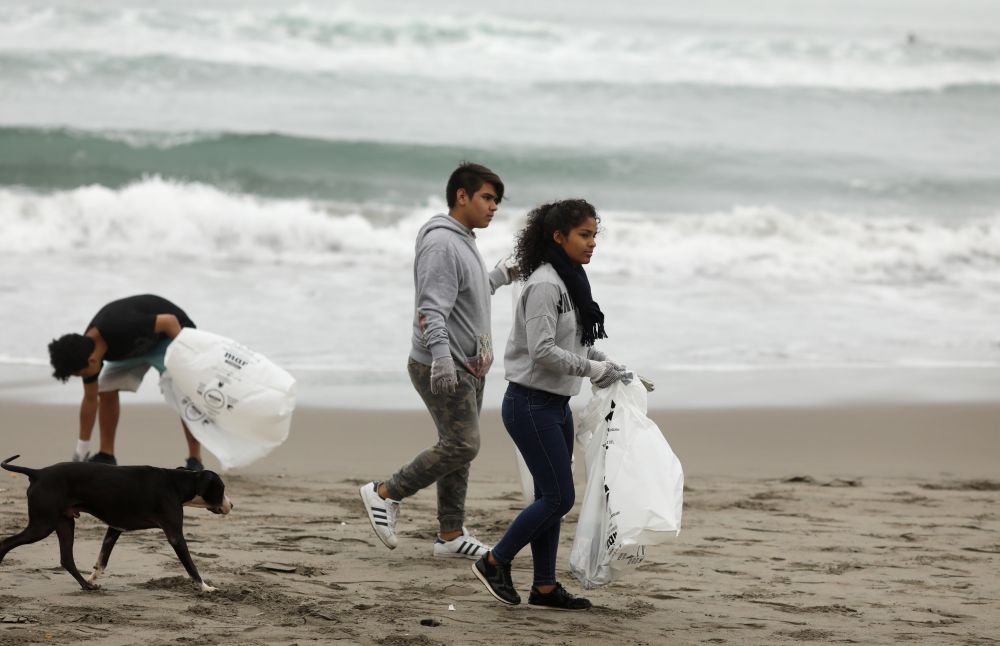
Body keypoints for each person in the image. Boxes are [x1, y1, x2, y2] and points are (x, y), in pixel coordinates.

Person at [471, 199, 626, 610]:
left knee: (549, 497)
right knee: (559, 498)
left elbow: (572, 343)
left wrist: (606, 363)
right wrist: (591, 370)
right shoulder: (545, 284)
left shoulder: (572, 279)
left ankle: (543, 587)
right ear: (559, 237)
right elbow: (541, 351)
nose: (592, 243)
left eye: (595, 235)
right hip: (529, 405)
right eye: (584, 235)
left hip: (556, 406)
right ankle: (494, 561)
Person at [358, 162, 516, 559]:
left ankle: (450, 534)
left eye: (497, 200)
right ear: (461, 196)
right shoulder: (442, 243)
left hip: (469, 365)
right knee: (463, 444)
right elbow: (431, 309)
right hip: (443, 364)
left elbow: (467, 293)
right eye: (487, 198)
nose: (494, 207)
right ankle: (384, 493)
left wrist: (499, 275)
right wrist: (443, 359)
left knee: (457, 449)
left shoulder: (464, 239)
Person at [47, 294, 204, 470]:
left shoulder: (119, 326)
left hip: (168, 336)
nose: (84, 378)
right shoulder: (84, 351)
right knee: (106, 387)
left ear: (91, 361)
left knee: (183, 391)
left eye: (81, 374)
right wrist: (80, 452)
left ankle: (195, 459)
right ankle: (106, 455)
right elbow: (90, 399)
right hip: (133, 348)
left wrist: (186, 362)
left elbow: (169, 321)